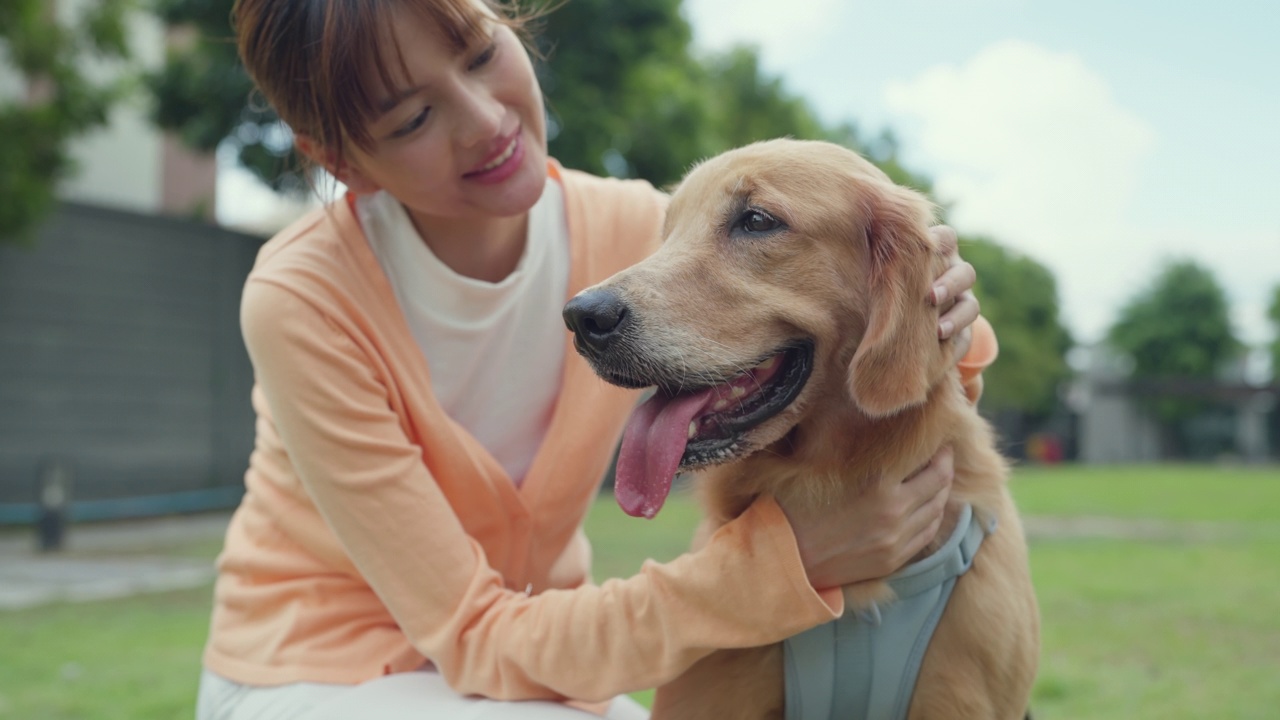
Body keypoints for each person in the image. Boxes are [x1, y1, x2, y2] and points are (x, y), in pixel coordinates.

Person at [195, 1, 996, 718]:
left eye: (479, 53)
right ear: (340, 159)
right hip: (313, 677)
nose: (484, 121)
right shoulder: (303, 299)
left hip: (541, 668)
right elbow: (474, 634)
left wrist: (949, 312)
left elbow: (854, 316)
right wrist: (791, 564)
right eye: (412, 119)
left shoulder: (637, 232)